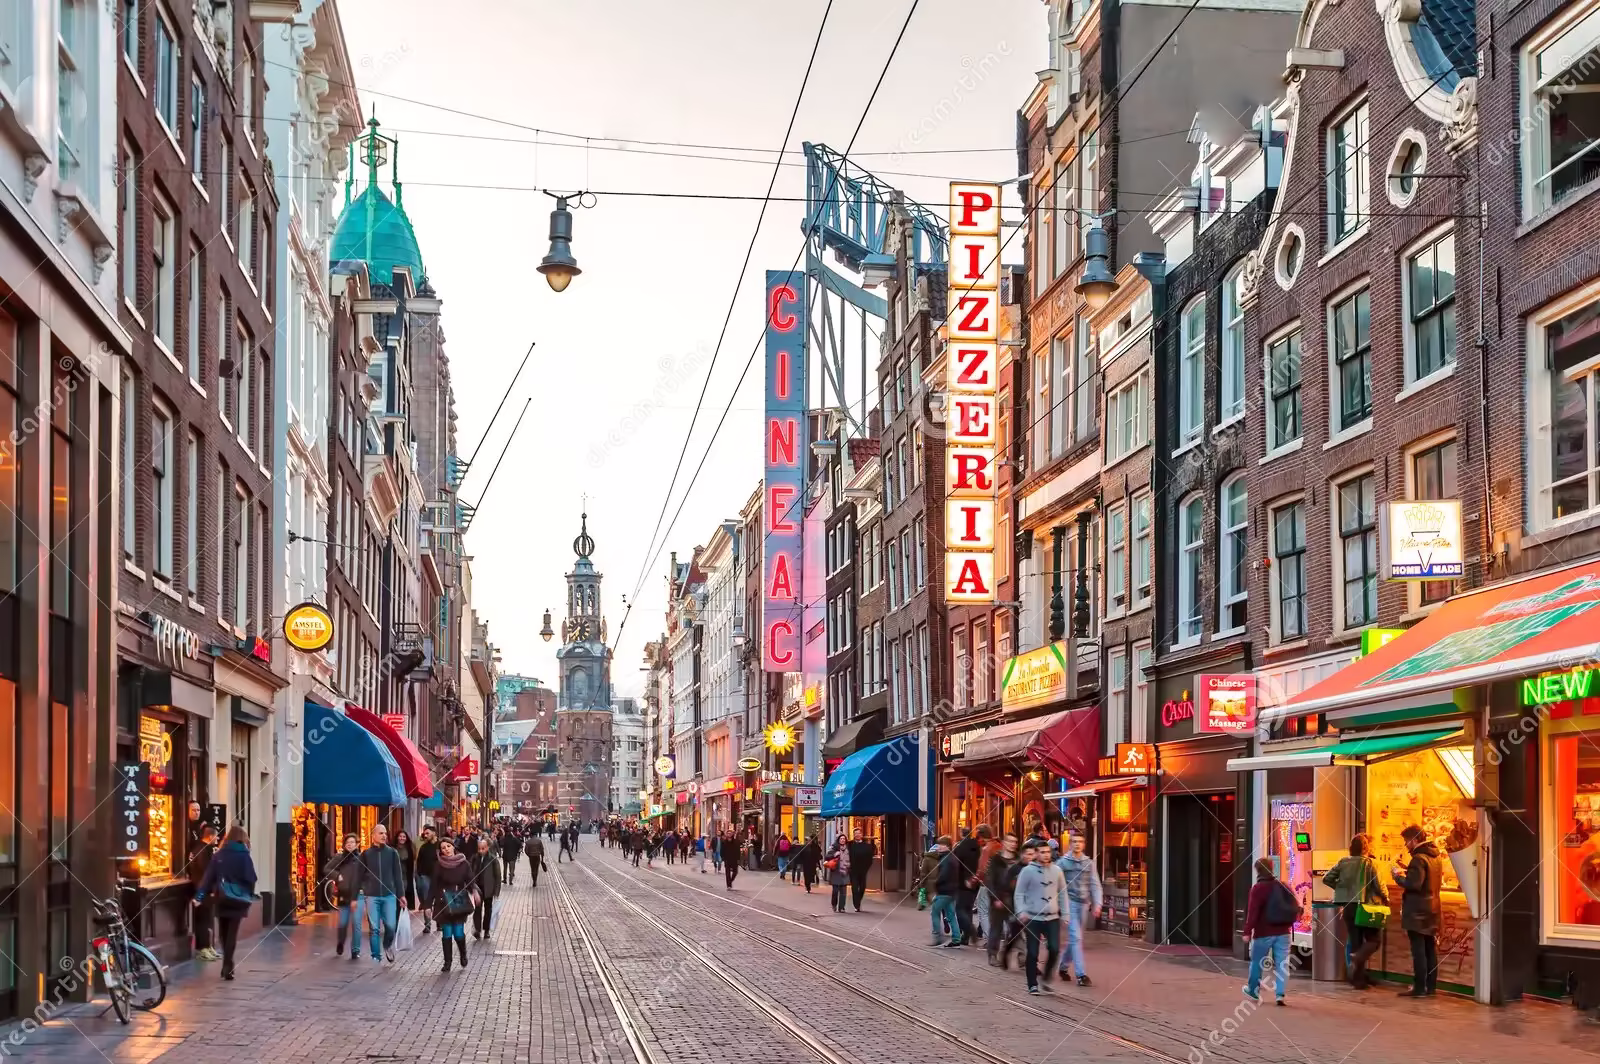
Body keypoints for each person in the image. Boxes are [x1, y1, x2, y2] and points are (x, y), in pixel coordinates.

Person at [1324, 833, 1387, 989]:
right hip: (1366, 907)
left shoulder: (1343, 862)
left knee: (1356, 941)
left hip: (1348, 907)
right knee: (1374, 940)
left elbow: (1327, 878)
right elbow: (1379, 885)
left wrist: (1341, 891)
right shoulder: (1370, 863)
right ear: (1366, 848)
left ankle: (1359, 979)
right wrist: (1387, 898)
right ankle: (1358, 960)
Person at [194, 826, 257, 981]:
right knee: (232, 933)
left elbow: (208, 878)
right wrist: (247, 895)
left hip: (221, 898)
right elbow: (251, 879)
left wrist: (199, 897)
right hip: (238, 899)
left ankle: (226, 963)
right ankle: (228, 965)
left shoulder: (219, 855)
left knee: (223, 932)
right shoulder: (245, 856)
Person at [1394, 824, 1444, 998]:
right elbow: (1425, 878)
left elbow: (1414, 884)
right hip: (1433, 910)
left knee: (1419, 951)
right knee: (1430, 949)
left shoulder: (1418, 859)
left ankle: (1419, 988)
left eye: (1407, 841)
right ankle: (1431, 987)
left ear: (1415, 840)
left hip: (1417, 912)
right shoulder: (1435, 857)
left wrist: (1397, 876)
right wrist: (1408, 869)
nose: (1406, 845)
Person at [1012, 837, 1066, 995]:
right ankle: (1032, 984)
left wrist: (1066, 913)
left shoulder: (1057, 871)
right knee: (1033, 952)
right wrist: (1021, 911)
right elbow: (1019, 893)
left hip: (1052, 917)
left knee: (1055, 949)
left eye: (1048, 852)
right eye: (1042, 852)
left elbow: (1063, 894)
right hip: (1033, 917)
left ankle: (1047, 977)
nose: (1046, 855)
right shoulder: (1027, 871)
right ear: (1036, 854)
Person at [1242, 857, 1296, 1005]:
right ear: (1272, 869)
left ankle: (1253, 990)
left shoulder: (1257, 889)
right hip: (1283, 932)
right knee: (1282, 964)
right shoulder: (1282, 886)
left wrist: (1247, 931)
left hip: (1263, 933)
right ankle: (1280, 994)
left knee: (1257, 962)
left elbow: (1252, 913)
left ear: (1257, 871)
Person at [1055, 831, 1103, 986]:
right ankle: (1081, 975)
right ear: (1070, 844)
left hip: (1084, 904)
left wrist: (1098, 904)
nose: (1077, 844)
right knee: (1076, 938)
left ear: (1083, 844)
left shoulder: (1089, 863)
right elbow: (1054, 882)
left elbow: (1095, 884)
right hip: (1069, 904)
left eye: (1080, 841)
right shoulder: (1062, 863)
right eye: (1074, 841)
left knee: (1074, 939)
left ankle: (1062, 966)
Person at [357, 824, 406, 964]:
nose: (384, 836)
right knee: (374, 929)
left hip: (389, 895)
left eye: (385, 833)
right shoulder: (366, 854)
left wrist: (401, 895)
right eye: (380, 833)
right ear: (373, 836)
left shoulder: (392, 853)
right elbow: (359, 875)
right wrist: (361, 890)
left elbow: (398, 875)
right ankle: (375, 958)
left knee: (391, 926)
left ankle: (387, 945)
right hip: (371, 896)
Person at [429, 839, 475, 972]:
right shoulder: (438, 865)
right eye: (443, 848)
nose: (446, 849)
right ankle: (447, 962)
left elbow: (470, 880)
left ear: (453, 847)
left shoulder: (464, 863)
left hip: (458, 901)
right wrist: (427, 904)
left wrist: (475, 892)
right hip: (443, 902)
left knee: (458, 932)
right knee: (447, 933)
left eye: (448, 846)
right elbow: (433, 885)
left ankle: (463, 954)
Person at [324, 833, 365, 960]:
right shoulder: (339, 857)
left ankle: (355, 950)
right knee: (342, 923)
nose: (350, 844)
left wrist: (364, 888)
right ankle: (340, 942)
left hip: (358, 895)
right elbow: (326, 869)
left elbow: (368, 874)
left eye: (352, 842)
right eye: (348, 842)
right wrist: (337, 876)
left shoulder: (362, 858)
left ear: (357, 844)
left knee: (357, 923)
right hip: (344, 895)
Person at [982, 833, 1020, 965]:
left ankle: (1022, 957)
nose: (1012, 844)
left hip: (1015, 900)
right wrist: (995, 898)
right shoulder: (995, 860)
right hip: (999, 899)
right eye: (1010, 841)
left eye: (1015, 842)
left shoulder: (1019, 860)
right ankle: (992, 954)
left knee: (1017, 929)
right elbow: (990, 881)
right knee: (996, 929)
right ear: (1004, 843)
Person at [186, 824, 219, 962]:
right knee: (203, 920)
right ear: (210, 836)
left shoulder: (202, 849)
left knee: (207, 918)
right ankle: (203, 948)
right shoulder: (203, 851)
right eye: (216, 836)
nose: (217, 839)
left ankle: (208, 946)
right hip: (202, 891)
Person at [926, 836, 962, 946]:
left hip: (944, 891)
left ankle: (937, 936)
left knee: (934, 912)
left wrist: (936, 884)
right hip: (952, 892)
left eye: (941, 845)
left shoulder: (946, 859)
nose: (938, 847)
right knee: (951, 915)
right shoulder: (952, 857)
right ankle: (956, 938)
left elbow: (943, 875)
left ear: (947, 846)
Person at [951, 827, 983, 947]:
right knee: (968, 908)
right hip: (975, 882)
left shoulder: (960, 848)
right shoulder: (978, 847)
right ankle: (966, 937)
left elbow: (956, 866)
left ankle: (970, 930)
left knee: (959, 909)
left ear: (961, 834)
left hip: (963, 883)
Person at [471, 838, 501, 940]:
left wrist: (496, 892)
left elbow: (498, 876)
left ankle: (486, 930)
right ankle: (477, 930)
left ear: (487, 847)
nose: (481, 851)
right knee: (477, 909)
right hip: (477, 888)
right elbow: (470, 872)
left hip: (488, 889)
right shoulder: (475, 858)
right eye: (479, 849)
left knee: (488, 910)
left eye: (483, 848)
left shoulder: (493, 859)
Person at [415, 827, 439, 934]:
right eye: (424, 834)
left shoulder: (440, 845)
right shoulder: (424, 847)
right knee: (426, 900)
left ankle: (440, 923)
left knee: (439, 899)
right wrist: (419, 873)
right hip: (425, 876)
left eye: (427, 833)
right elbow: (419, 861)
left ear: (433, 833)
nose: (425, 835)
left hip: (438, 877)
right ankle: (427, 924)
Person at [846, 829, 876, 912]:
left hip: (863, 870)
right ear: (854, 835)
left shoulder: (866, 846)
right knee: (854, 888)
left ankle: (858, 900)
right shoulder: (850, 845)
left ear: (861, 835)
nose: (857, 835)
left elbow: (870, 857)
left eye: (859, 833)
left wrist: (866, 867)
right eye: (856, 833)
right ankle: (856, 905)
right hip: (853, 870)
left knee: (862, 887)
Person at [394, 830, 418, 912]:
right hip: (395, 874)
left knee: (405, 889)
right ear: (397, 837)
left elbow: (413, 860)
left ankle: (403, 908)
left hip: (406, 874)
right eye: (400, 836)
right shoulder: (392, 848)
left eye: (404, 836)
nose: (402, 838)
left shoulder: (409, 848)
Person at [826, 835, 851, 912]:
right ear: (838, 840)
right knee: (835, 891)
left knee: (843, 892)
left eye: (844, 839)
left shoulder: (848, 849)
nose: (843, 840)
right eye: (841, 839)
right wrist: (834, 854)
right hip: (836, 872)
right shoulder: (834, 848)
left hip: (845, 872)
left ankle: (842, 907)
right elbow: (827, 856)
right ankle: (834, 904)